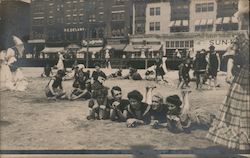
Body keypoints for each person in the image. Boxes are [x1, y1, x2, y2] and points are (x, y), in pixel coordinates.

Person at [207, 5, 249, 150]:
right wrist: (229, 72)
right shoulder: (240, 37)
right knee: (239, 109)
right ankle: (240, 142)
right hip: (243, 76)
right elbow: (231, 56)